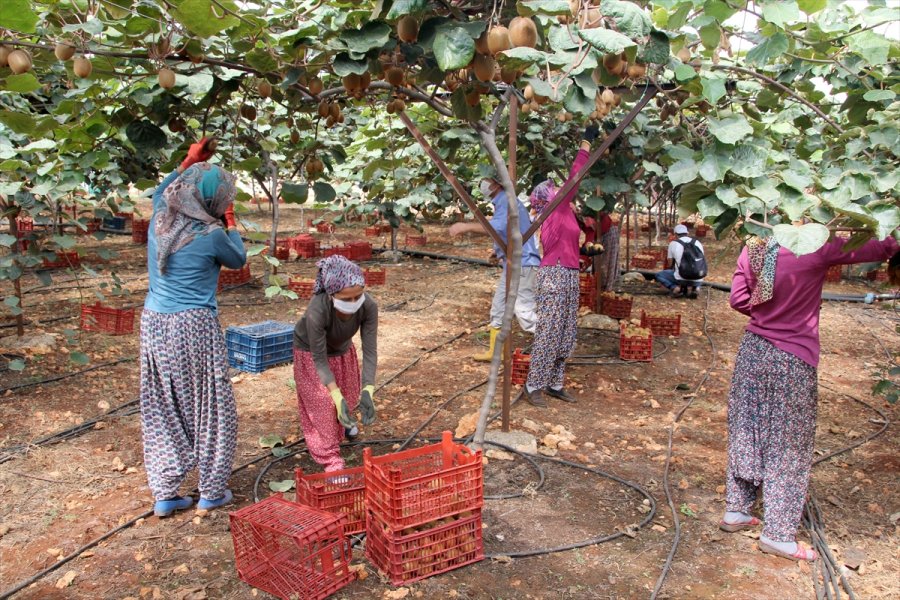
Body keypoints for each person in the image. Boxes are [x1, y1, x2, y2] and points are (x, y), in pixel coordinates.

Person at [721, 233, 898, 561]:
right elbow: (884, 245)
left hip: (753, 350)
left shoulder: (756, 245)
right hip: (791, 356)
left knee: (747, 428)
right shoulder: (814, 244)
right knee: (788, 442)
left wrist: (768, 313)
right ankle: (777, 534)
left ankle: (737, 510)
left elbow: (737, 299)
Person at [140, 137, 246, 517]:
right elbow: (238, 259)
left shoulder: (159, 218)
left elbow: (162, 192)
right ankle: (211, 490)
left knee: (163, 404)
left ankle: (166, 492)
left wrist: (187, 161)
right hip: (194, 325)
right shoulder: (212, 234)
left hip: (154, 323)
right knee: (211, 406)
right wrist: (230, 220)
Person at [523, 124, 599, 407]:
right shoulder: (553, 211)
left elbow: (566, 244)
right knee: (550, 330)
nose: (557, 190)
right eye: (552, 190)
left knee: (567, 330)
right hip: (554, 274)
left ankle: (554, 382)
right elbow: (575, 178)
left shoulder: (564, 213)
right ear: (547, 198)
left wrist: (585, 250)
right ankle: (534, 385)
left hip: (568, 271)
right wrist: (586, 144)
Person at [293, 255, 377, 472]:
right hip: (311, 353)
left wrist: (368, 389)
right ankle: (330, 458)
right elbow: (319, 359)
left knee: (348, 395)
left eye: (357, 297)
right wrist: (334, 395)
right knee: (323, 403)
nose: (353, 304)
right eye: (346, 299)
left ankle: (344, 425)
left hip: (342, 350)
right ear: (332, 295)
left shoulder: (368, 306)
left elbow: (370, 350)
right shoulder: (317, 310)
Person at [449, 177, 540, 360]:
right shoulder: (504, 201)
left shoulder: (507, 200)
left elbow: (498, 226)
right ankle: (494, 352)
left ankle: (555, 344)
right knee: (498, 308)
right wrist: (497, 251)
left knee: (524, 312)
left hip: (522, 263)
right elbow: (508, 230)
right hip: (514, 263)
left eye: (486, 180)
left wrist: (466, 226)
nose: (482, 183)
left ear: (497, 183)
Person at [655, 223, 705, 298]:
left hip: (681, 277)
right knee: (696, 273)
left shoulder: (673, 244)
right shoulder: (698, 243)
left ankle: (675, 287)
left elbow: (670, 263)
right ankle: (696, 288)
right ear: (687, 233)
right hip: (699, 277)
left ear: (675, 234)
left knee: (659, 275)